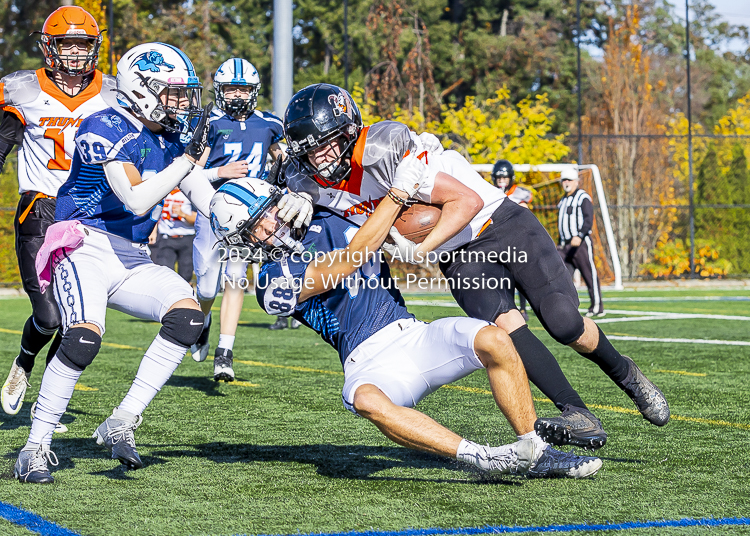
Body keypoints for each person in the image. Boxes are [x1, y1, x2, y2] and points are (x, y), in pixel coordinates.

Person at [283, 83, 669, 451]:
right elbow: (279, 188)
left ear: (349, 130)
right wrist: (298, 198)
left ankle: (626, 375)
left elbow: (464, 202)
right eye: (311, 151)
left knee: (564, 322)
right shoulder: (311, 183)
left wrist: (420, 253)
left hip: (498, 221)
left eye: (328, 143)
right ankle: (576, 411)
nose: (322, 157)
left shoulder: (383, 150)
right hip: (459, 254)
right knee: (506, 329)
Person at [209, 174, 603, 479]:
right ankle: (483, 458)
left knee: (495, 338)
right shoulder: (271, 280)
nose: (269, 227)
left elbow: (355, 182)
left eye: (268, 212)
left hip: (411, 333)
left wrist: (313, 192)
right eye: (255, 228)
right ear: (245, 243)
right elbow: (349, 259)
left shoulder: (329, 214)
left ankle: (534, 450)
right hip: (368, 361)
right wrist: (395, 195)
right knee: (365, 400)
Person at [13, 42, 217, 484]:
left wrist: (257, 218)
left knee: (187, 319)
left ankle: (120, 420)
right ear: (142, 90)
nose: (182, 104)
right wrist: (185, 161)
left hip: (131, 254)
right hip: (83, 245)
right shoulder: (103, 125)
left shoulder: (172, 137)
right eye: (174, 93)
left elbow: (209, 201)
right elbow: (137, 198)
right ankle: (34, 448)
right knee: (83, 340)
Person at [1, 7, 119, 427]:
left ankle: (48, 400)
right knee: (48, 316)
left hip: (89, 212)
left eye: (82, 44)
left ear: (95, 47)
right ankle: (23, 362)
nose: (74, 52)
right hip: (41, 208)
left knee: (75, 320)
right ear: (50, 46)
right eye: (66, 43)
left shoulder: (114, 92)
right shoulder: (22, 88)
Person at [189, 57, 301, 382]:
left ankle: (225, 352)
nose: (238, 95)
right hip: (214, 212)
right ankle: (202, 323)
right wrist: (219, 172)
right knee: (207, 286)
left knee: (236, 278)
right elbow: (188, 172)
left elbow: (284, 160)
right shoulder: (209, 123)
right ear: (220, 90)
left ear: (254, 91)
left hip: (250, 217)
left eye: (243, 89)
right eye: (232, 89)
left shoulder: (269, 124)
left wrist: (283, 173)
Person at [557, 168, 604, 317]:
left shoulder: (582, 197)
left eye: (569, 180)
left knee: (589, 274)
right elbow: (561, 224)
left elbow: (589, 219)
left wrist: (580, 235)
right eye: (564, 180)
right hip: (565, 246)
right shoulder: (562, 200)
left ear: (576, 182)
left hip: (580, 244)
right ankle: (566, 307)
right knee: (561, 276)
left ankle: (597, 305)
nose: (566, 183)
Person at [491, 159, 532, 321]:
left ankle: (522, 309)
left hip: (516, 240)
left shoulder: (519, 194)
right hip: (498, 240)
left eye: (504, 178)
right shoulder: (491, 192)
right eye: (499, 178)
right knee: (502, 276)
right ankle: (508, 308)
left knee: (519, 277)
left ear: (511, 178)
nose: (501, 181)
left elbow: (526, 213)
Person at [149, 188, 196, 282]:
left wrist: (183, 214)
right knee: (164, 273)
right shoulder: (163, 192)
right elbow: (154, 214)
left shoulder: (189, 193)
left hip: (186, 237)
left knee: (185, 275)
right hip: (166, 237)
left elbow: (198, 219)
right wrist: (152, 231)